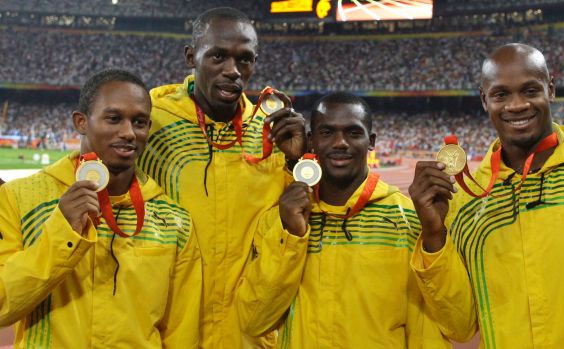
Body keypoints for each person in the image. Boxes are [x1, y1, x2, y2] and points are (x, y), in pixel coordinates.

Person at [410, 43, 564, 348]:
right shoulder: (468, 202)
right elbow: (460, 324)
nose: (516, 105)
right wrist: (433, 236)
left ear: (551, 90)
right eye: (501, 95)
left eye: (530, 90)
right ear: (484, 100)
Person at [236, 92, 477, 348]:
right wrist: (291, 236)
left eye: (353, 132)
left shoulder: (410, 220)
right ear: (312, 141)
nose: (340, 142)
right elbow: (253, 321)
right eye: (327, 132)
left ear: (371, 141)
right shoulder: (280, 221)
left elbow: (461, 326)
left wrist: (434, 236)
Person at [136, 7, 306, 348]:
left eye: (244, 60)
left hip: (245, 333)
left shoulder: (272, 134)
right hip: (169, 331)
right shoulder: (150, 123)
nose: (232, 71)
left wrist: (296, 162)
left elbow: (289, 225)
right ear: (190, 57)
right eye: (217, 56)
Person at [0, 69, 202, 348]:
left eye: (140, 122)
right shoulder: (20, 199)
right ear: (81, 122)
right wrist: (62, 232)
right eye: (114, 118)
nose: (129, 132)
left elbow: (182, 333)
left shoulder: (174, 220)